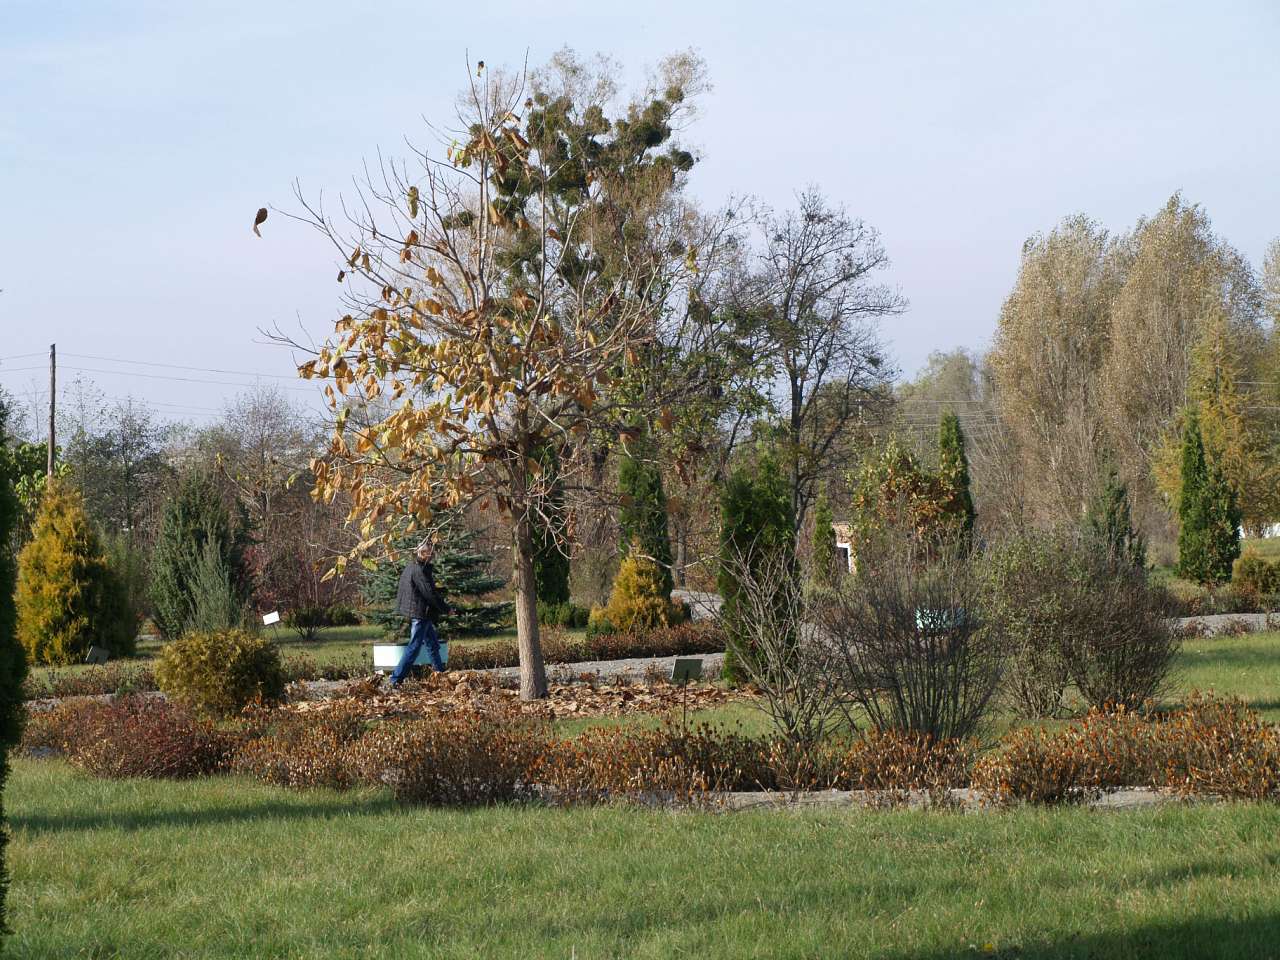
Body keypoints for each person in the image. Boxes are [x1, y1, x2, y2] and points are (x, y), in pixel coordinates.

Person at [387, 538, 451, 688]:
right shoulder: (419, 570)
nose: (432, 555)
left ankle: (440, 675)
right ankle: (395, 679)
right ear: (422, 553)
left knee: (432, 644)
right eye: (429, 552)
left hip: (422, 612)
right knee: (414, 647)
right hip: (420, 613)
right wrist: (446, 609)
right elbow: (429, 593)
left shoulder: (413, 567)